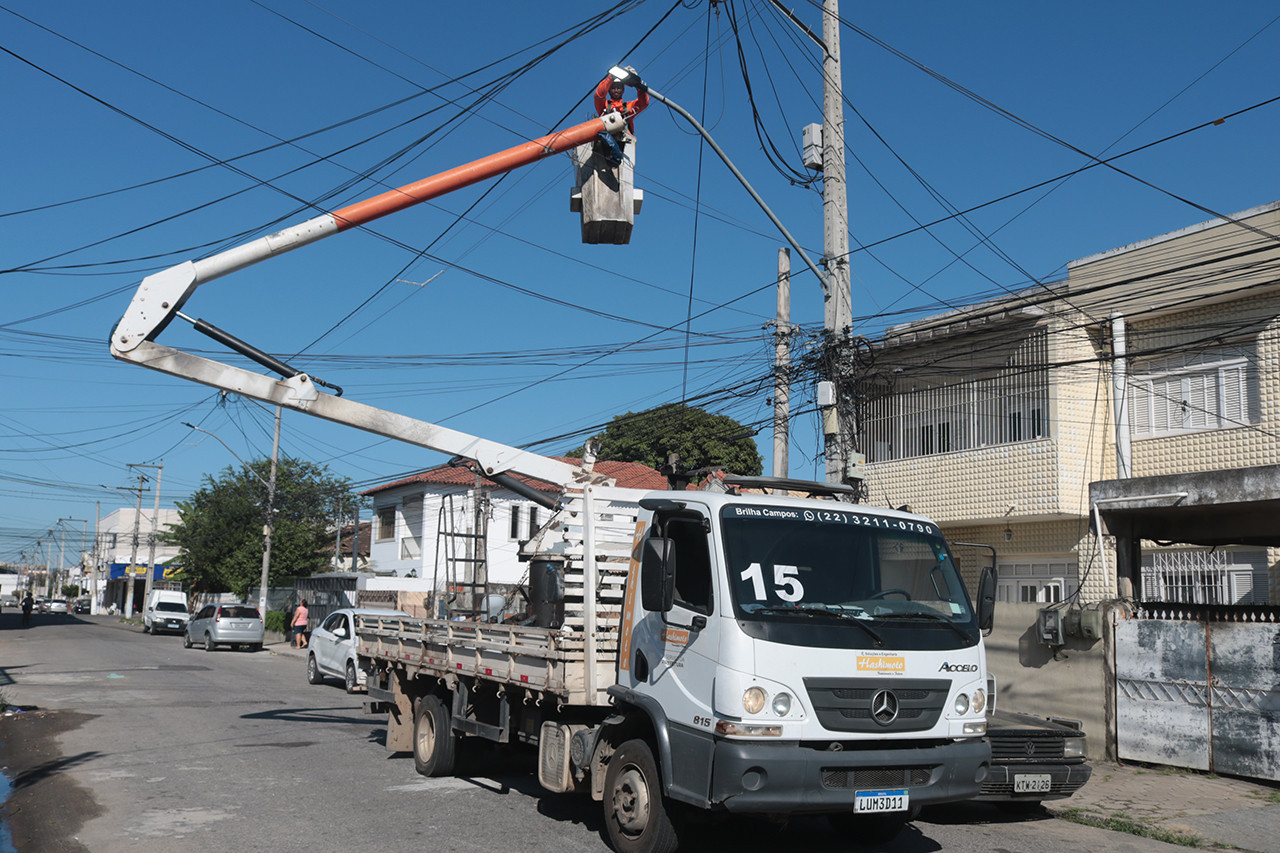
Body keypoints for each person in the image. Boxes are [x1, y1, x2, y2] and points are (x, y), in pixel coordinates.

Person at [593, 68, 648, 135]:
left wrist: (638, 85)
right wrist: (611, 77)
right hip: (607, 141)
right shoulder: (604, 105)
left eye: (619, 88)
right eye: (613, 88)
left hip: (626, 142)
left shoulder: (628, 107)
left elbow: (644, 103)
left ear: (623, 90)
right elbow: (599, 95)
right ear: (609, 90)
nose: (616, 90)